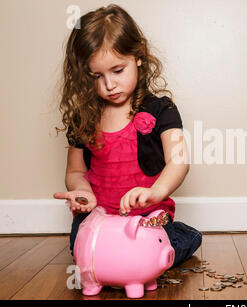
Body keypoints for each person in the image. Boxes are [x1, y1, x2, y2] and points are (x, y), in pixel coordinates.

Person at [53, 4, 201, 268]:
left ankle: (179, 237)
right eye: (96, 76)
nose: (109, 85)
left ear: (139, 57)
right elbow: (75, 172)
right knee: (83, 253)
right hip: (100, 218)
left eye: (117, 71)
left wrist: (157, 191)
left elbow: (179, 161)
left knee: (147, 253)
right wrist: (84, 195)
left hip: (146, 217)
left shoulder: (161, 110)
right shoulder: (83, 117)